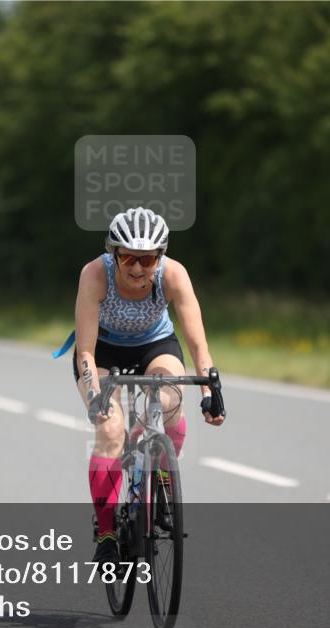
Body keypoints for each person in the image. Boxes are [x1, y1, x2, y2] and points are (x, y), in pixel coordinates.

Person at [66, 207, 226, 565]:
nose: (138, 268)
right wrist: (95, 396)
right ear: (114, 253)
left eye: (148, 259)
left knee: (170, 400)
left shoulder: (174, 274)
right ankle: (107, 533)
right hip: (103, 350)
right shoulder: (95, 274)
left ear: (160, 256)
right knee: (110, 430)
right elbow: (86, 351)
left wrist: (209, 393)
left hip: (155, 345)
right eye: (128, 258)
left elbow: (198, 344)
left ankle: (160, 471)